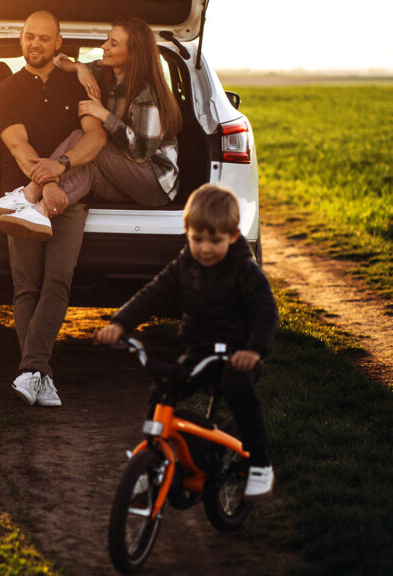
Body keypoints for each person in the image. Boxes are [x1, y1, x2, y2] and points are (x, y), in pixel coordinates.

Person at [93, 184, 279, 498]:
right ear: (187, 232)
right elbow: (153, 293)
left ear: (233, 236)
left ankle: (260, 462)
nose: (205, 248)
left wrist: (254, 350)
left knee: (238, 391)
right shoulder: (185, 265)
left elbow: (266, 311)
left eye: (215, 241)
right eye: (198, 239)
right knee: (164, 389)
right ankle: (151, 459)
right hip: (200, 349)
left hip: (236, 353)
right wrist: (121, 323)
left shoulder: (244, 270)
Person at [0, 10, 108, 407]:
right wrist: (48, 183)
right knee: (27, 287)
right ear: (21, 41)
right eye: (28, 37)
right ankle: (38, 372)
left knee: (58, 281)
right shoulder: (6, 90)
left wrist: (63, 170)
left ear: (58, 44)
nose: (34, 43)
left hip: (69, 199)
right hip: (22, 198)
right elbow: (20, 148)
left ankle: (30, 372)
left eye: (43, 38)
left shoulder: (75, 84)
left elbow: (95, 138)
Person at [0, 16, 182, 240]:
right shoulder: (102, 71)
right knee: (88, 168)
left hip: (153, 183)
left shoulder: (147, 95)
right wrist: (79, 68)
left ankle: (30, 192)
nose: (103, 47)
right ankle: (40, 212)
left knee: (84, 138)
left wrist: (104, 116)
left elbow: (141, 152)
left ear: (133, 54)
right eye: (107, 40)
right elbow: (56, 61)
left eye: (113, 44)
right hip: (121, 176)